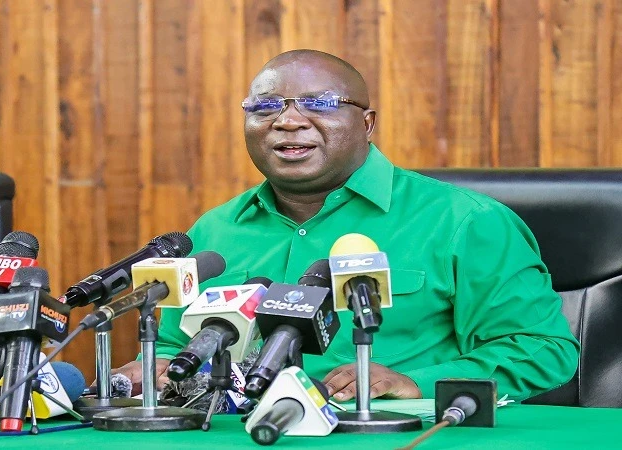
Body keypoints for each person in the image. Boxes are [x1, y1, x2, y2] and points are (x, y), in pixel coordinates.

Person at [112, 49, 579, 402]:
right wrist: (155, 366)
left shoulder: (464, 221)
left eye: (320, 102)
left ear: (367, 123)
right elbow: (175, 344)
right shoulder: (216, 230)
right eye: (265, 106)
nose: (289, 121)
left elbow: (542, 349)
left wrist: (416, 382)